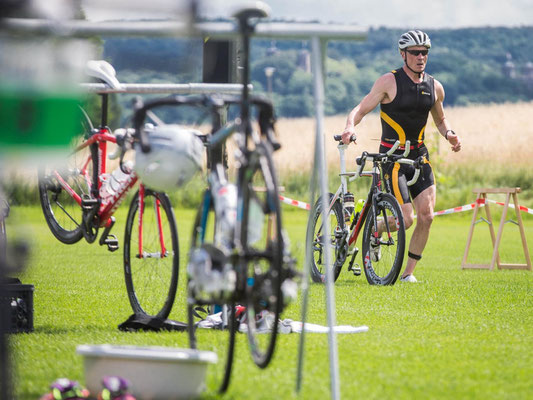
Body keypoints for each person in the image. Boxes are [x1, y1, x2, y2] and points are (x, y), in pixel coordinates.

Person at [341, 29, 461, 283]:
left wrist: (449, 133)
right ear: (403, 54)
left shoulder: (434, 86)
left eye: (424, 52)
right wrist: (350, 126)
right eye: (415, 52)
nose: (421, 57)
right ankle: (376, 229)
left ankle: (408, 274)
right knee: (405, 219)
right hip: (392, 160)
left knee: (426, 216)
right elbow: (361, 109)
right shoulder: (388, 82)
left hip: (419, 158)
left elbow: (441, 120)